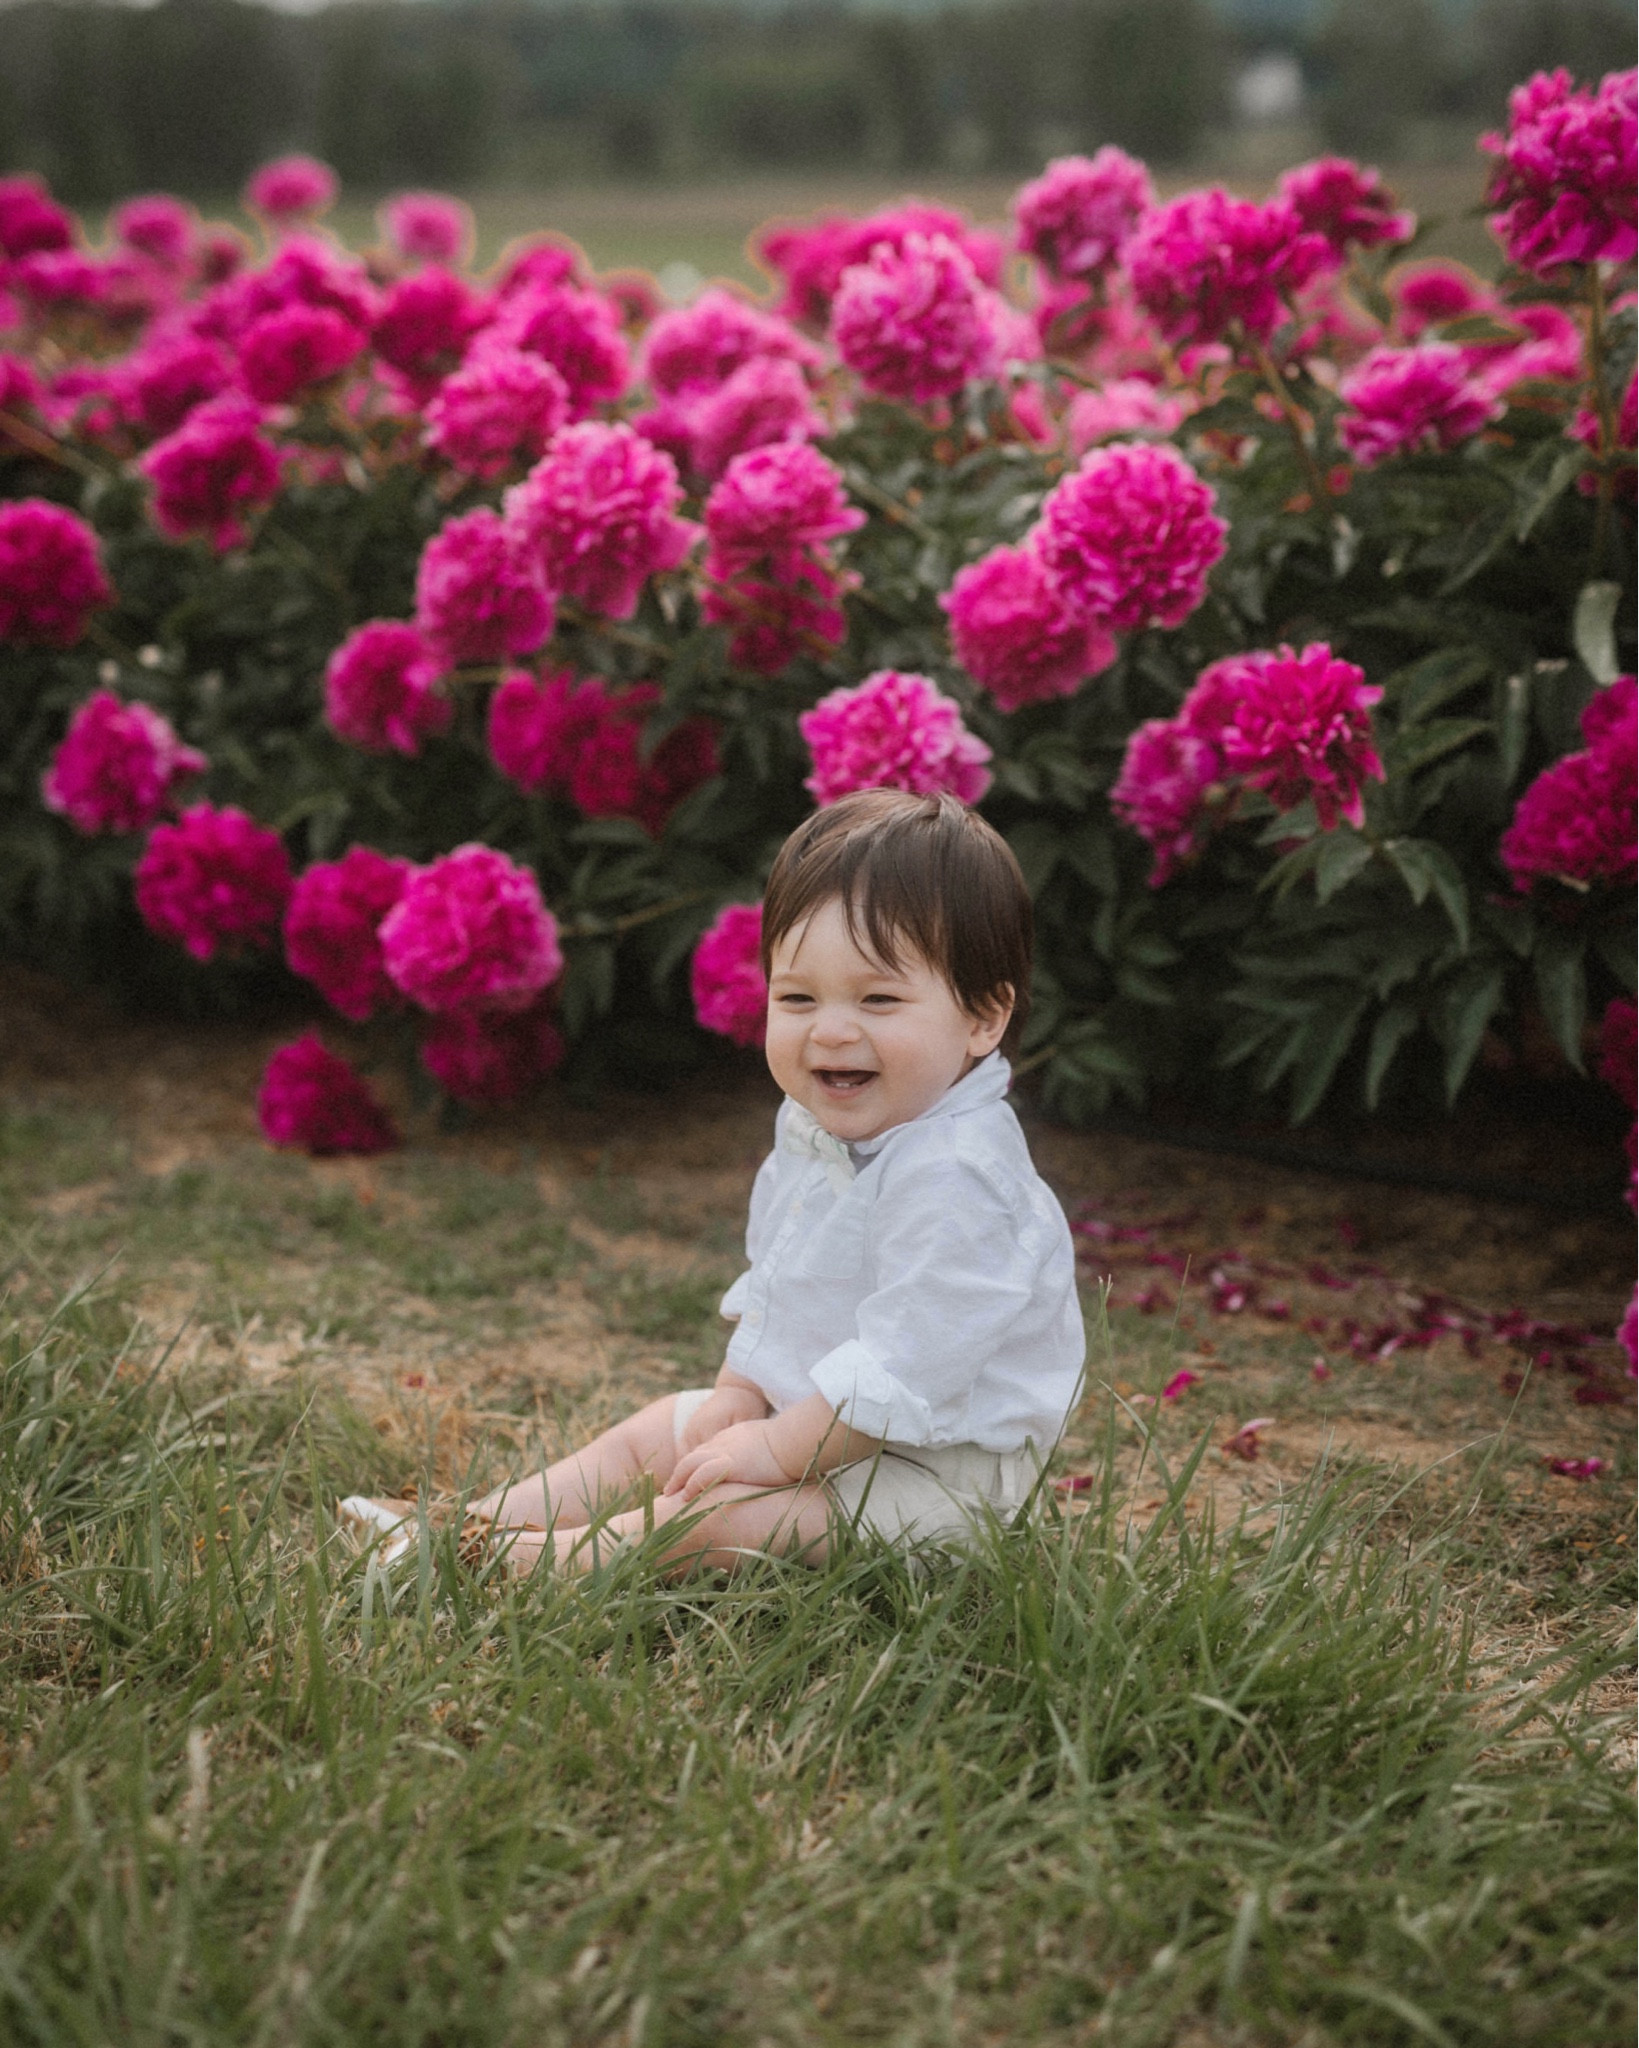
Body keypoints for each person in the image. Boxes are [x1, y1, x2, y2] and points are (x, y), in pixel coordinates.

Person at [340, 787, 1085, 1575]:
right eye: (796, 997)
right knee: (664, 1428)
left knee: (713, 1515)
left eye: (879, 998)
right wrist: (739, 1391)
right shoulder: (821, 1127)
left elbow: (896, 1377)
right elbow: (783, 1278)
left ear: (982, 1016)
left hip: (944, 1482)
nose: (830, 1029)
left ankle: (504, 1570)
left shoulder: (960, 1181)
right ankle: (463, 1528)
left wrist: (770, 1446)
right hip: (825, 1425)